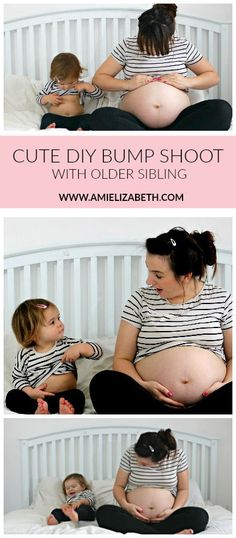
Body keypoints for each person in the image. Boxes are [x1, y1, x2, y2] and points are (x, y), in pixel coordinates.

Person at [90, 227, 232, 414]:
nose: (149, 281)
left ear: (186, 275)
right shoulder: (139, 300)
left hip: (210, 400)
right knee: (104, 383)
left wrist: (223, 386)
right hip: (150, 400)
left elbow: (233, 357)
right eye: (149, 271)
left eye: (158, 275)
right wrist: (143, 385)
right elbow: (122, 359)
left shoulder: (221, 299)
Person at [90, 4, 232, 131]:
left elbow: (213, 76)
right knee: (100, 116)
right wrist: (127, 83)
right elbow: (99, 79)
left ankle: (151, 142)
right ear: (140, 33)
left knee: (221, 109)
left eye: (158, 44)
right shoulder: (127, 46)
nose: (151, 49)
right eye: (146, 43)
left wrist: (188, 82)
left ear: (170, 37)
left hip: (179, 122)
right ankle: (165, 142)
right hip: (134, 123)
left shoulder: (183, 46)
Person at [96, 430, 209, 534]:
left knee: (200, 516)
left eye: (144, 464)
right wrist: (126, 506)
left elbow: (183, 489)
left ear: (159, 458)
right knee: (103, 512)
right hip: (133, 518)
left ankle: (147, 533)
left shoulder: (177, 455)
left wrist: (173, 510)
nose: (139, 464)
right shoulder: (130, 453)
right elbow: (119, 486)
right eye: (138, 460)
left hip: (167, 519)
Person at [6, 298, 102, 414]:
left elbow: (98, 352)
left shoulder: (67, 344)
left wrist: (81, 348)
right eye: (52, 322)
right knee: (12, 396)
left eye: (59, 318)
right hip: (39, 399)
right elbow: (18, 377)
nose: (60, 324)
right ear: (33, 334)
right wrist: (31, 392)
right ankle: (38, 410)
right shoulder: (24, 354)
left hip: (65, 396)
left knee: (78, 396)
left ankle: (65, 411)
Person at [36, 52, 103, 130]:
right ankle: (50, 129)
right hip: (56, 119)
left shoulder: (80, 86)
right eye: (62, 83)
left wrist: (87, 86)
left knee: (89, 117)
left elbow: (99, 95)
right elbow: (38, 98)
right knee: (46, 117)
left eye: (71, 82)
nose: (67, 86)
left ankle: (80, 129)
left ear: (77, 75)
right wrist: (47, 98)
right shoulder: (51, 85)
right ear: (54, 76)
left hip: (77, 119)